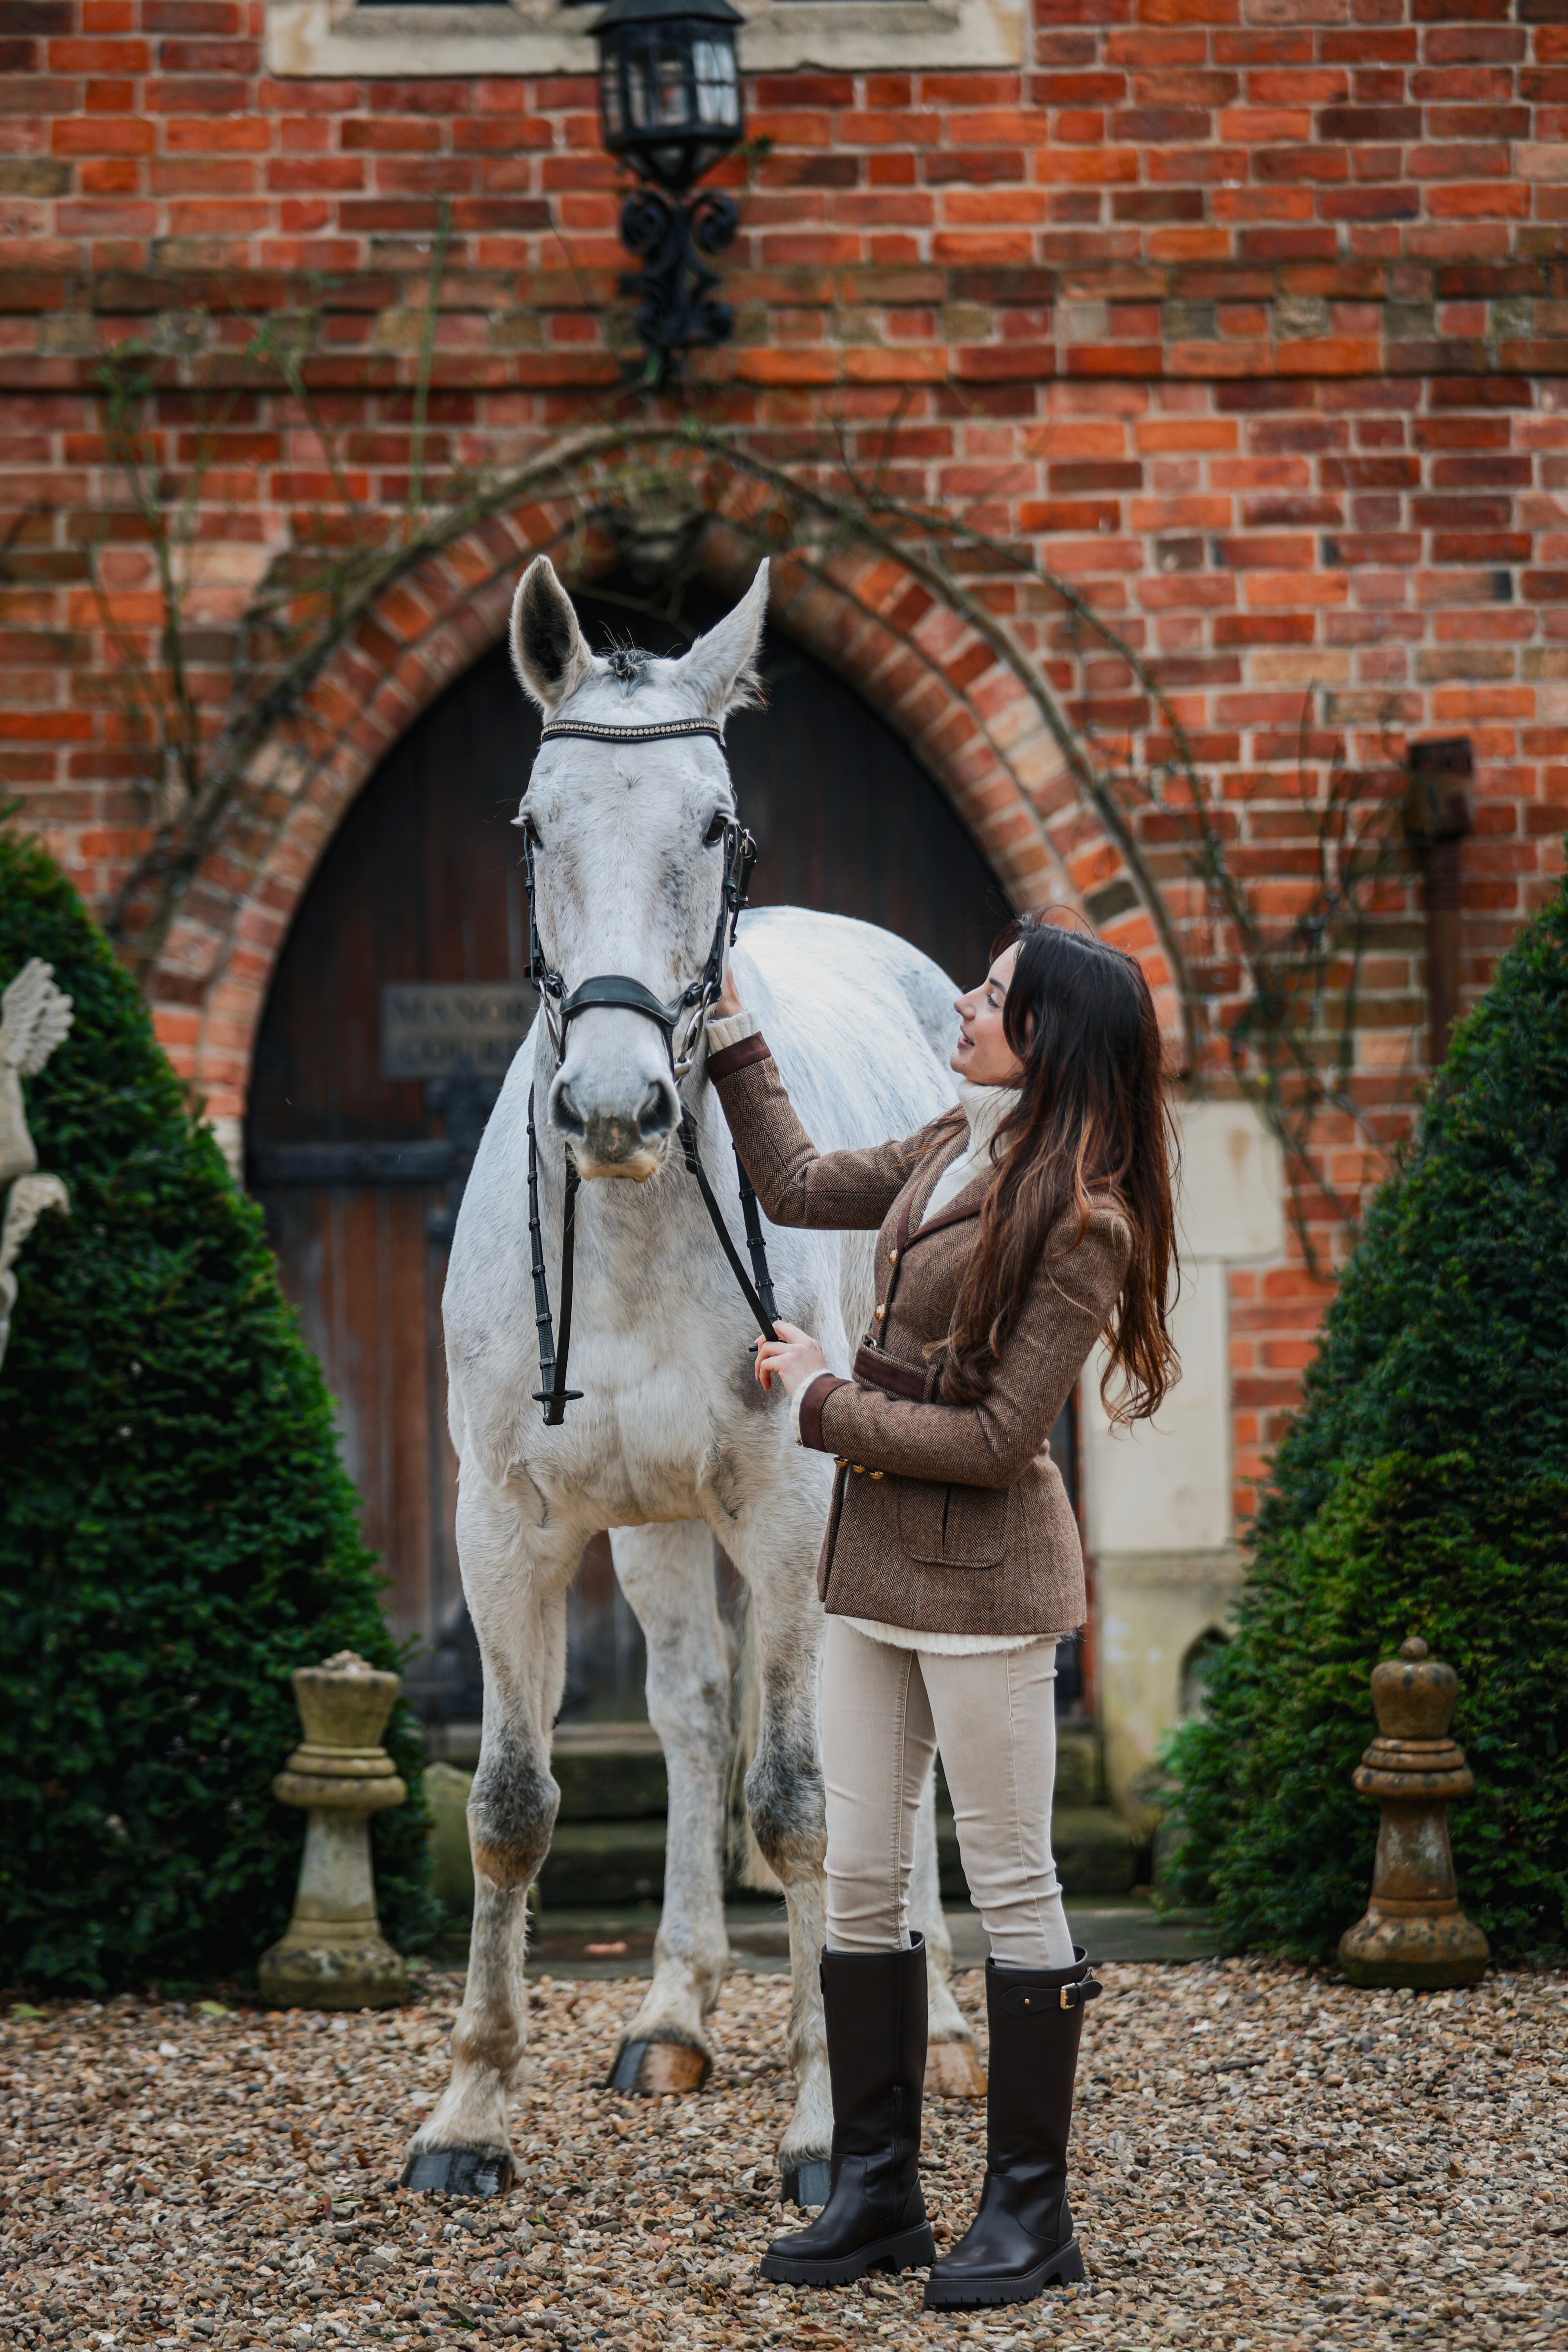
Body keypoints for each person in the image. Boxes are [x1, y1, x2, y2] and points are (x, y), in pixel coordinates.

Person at [703, 913, 1179, 2311]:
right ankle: (877, 2195)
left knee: (1013, 1883)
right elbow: (790, 1182)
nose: (965, 1004)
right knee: (863, 1874)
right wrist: (730, 1028)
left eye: (993, 994)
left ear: (1048, 1042)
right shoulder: (943, 1142)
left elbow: (990, 1441)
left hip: (987, 1588)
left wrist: (818, 1401)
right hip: (875, 1575)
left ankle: (1033, 2217)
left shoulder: (1089, 1218)